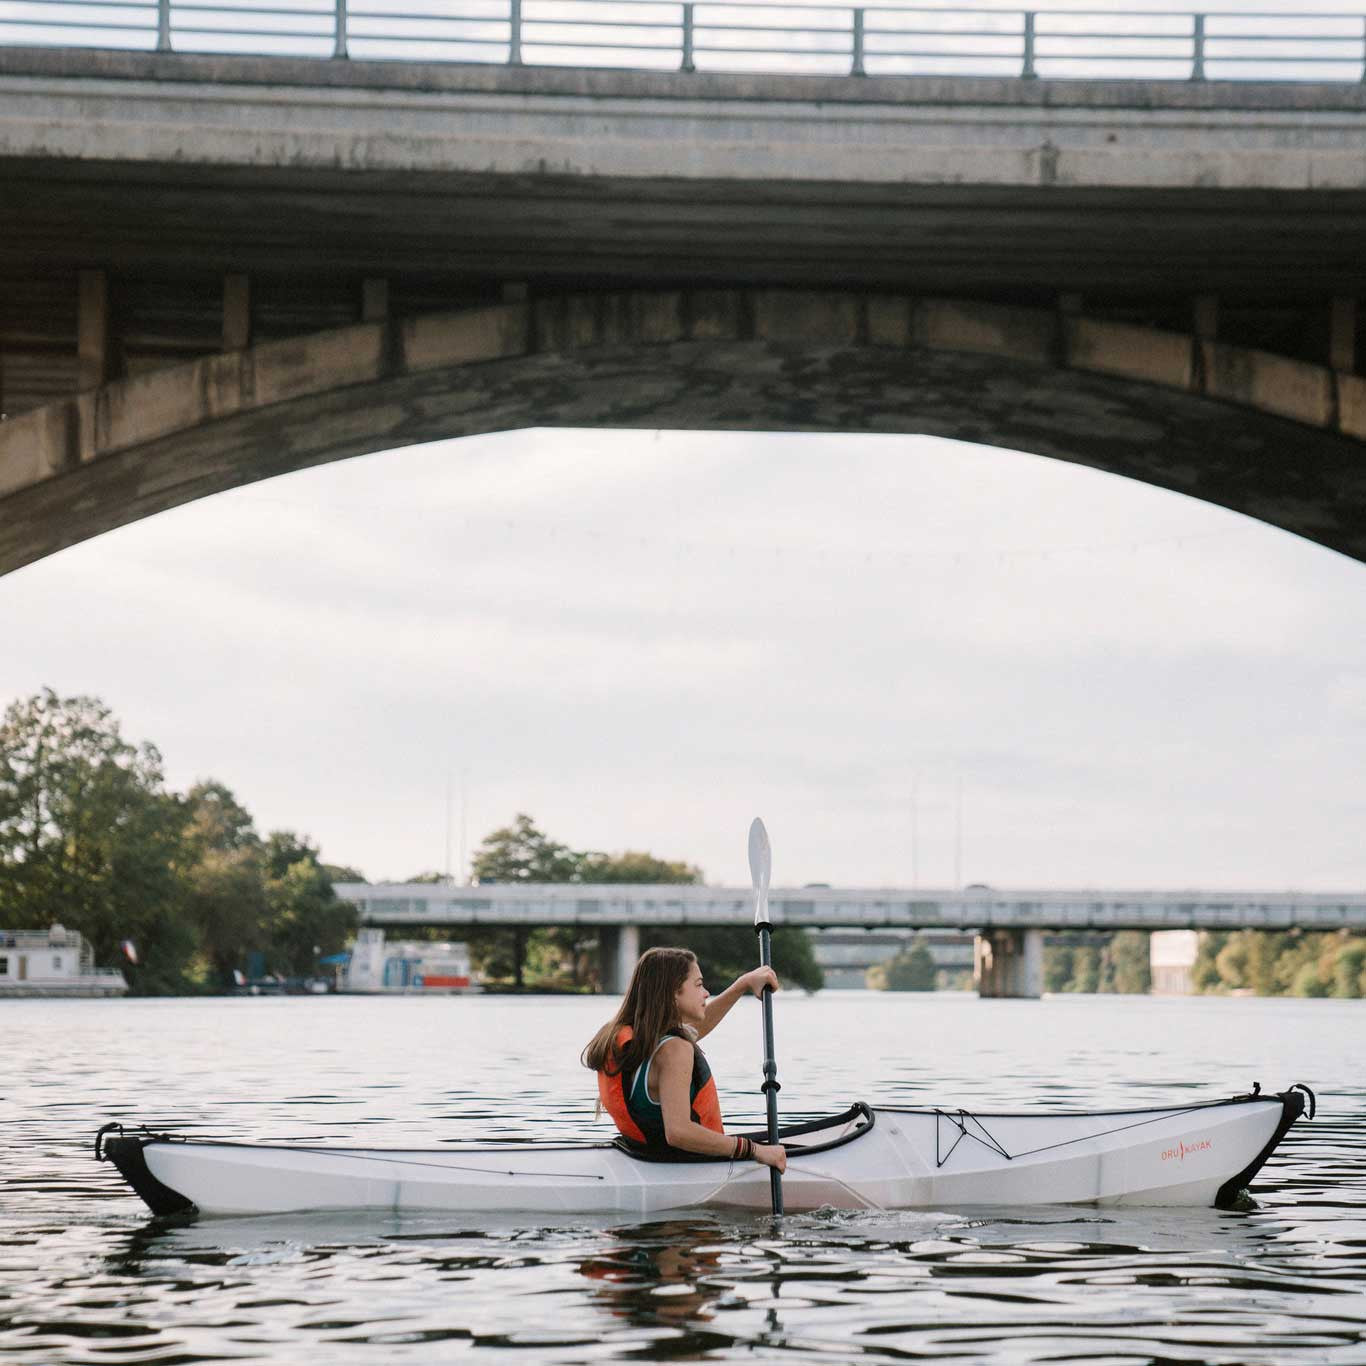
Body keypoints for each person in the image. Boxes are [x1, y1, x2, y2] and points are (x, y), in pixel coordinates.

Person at [582, 946, 786, 1172]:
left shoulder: (628, 1036)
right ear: (672, 993)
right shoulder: (675, 1050)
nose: (706, 993)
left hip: (644, 1156)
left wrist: (743, 984)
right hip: (685, 1164)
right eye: (698, 985)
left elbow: (697, 1025)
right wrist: (754, 1150)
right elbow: (679, 1132)